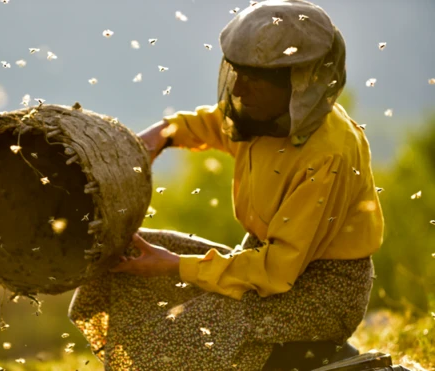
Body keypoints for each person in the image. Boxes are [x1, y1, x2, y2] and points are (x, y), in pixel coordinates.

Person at [68, 1, 384, 370]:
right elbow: (213, 124)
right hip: (261, 269)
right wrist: (159, 137)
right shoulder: (265, 113)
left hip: (319, 295)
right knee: (123, 258)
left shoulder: (328, 155)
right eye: (238, 75)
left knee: (180, 331)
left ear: (297, 83)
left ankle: (309, 357)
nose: (240, 91)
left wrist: (174, 266)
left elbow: (277, 271)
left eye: (254, 81)